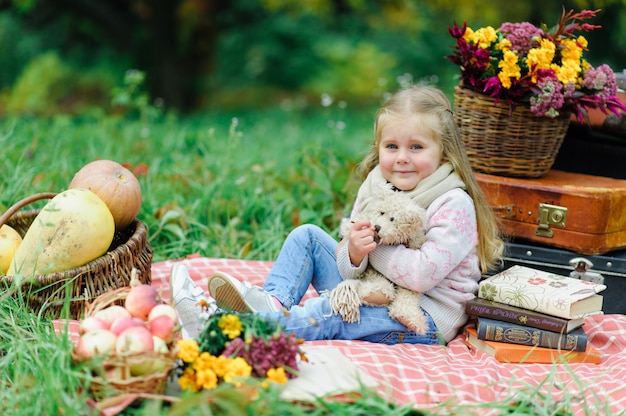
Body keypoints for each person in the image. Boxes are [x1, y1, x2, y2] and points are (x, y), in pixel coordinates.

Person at [170, 85, 504, 345]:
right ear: (379, 148)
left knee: (335, 311)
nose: (402, 158)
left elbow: (421, 275)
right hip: (373, 287)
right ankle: (271, 304)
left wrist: (375, 248)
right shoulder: (376, 186)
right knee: (308, 237)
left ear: (443, 150)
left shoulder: (452, 202)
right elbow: (348, 268)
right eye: (391, 147)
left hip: (422, 316)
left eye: (416, 147)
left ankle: (220, 328)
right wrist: (355, 251)